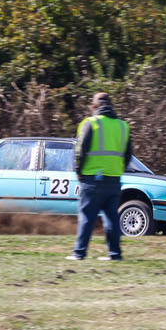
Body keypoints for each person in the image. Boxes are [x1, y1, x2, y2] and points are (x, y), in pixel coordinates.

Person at [67, 92, 132, 261]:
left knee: (87, 216)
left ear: (94, 106)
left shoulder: (91, 123)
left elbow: (80, 151)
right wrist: (117, 170)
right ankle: (115, 254)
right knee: (112, 217)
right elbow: (128, 155)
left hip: (92, 179)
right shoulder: (123, 126)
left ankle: (79, 253)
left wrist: (78, 171)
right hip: (114, 180)